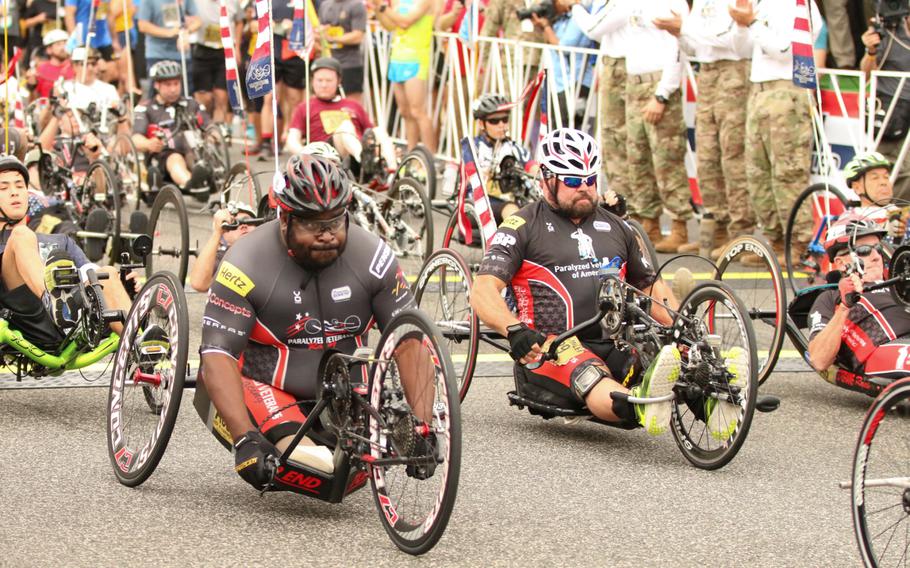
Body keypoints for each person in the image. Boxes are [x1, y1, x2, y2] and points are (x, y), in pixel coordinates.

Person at [470, 128, 745, 440]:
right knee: (590, 374)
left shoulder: (617, 226)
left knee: (671, 353)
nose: (585, 188)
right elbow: (482, 290)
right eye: (573, 181)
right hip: (550, 346)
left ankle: (716, 403)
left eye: (591, 179)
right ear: (546, 178)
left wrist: (685, 330)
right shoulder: (521, 226)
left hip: (611, 341)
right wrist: (513, 329)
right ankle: (640, 407)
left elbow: (651, 286)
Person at [198, 154, 433, 489]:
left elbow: (409, 341)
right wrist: (243, 439)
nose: (326, 234)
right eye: (312, 224)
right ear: (284, 219)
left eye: (335, 221)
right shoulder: (244, 262)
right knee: (315, 469)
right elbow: (217, 354)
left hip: (345, 393)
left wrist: (423, 425)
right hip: (268, 386)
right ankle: (272, 436)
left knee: (351, 477)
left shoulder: (374, 257)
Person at [654, 0, 756, 259]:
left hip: (735, 72)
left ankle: (740, 233)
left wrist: (686, 29)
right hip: (708, 74)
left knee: (733, 157)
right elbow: (695, 47)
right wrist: (681, 33)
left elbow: (733, 40)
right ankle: (716, 231)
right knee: (707, 157)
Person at [0, 156, 132, 346]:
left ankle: (141, 347)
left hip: (71, 319)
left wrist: (122, 284)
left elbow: (89, 273)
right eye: (3, 188)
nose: (14, 193)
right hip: (25, 317)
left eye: (20, 186)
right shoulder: (19, 237)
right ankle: (51, 298)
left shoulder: (60, 240)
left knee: (108, 274)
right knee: (21, 235)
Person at [729, 0, 822, 265]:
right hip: (758, 90)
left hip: (787, 89)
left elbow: (784, 49)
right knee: (758, 173)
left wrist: (752, 23)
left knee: (788, 173)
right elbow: (743, 48)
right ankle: (777, 240)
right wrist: (741, 25)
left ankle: (800, 244)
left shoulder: (799, 4)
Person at [808, 214, 910, 396]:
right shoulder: (830, 297)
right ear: (840, 262)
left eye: (878, 248)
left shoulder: (900, 284)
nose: (876, 256)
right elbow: (819, 359)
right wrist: (844, 307)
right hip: (890, 350)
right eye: (864, 250)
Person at [131, 60, 213, 199]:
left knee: (196, 152)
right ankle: (191, 183)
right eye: (168, 85)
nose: (173, 89)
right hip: (163, 157)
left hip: (193, 151)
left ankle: (204, 175)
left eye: (176, 84)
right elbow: (135, 138)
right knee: (175, 158)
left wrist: (214, 136)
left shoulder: (191, 103)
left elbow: (210, 126)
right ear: (157, 85)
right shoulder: (146, 108)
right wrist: (148, 143)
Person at [573, 0, 630, 200]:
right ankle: (619, 201)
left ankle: (633, 207)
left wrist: (574, 6)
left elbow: (594, 29)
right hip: (610, 64)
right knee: (611, 138)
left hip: (626, 67)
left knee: (628, 141)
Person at [371, 0, 439, 152]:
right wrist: (377, 9)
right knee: (405, 111)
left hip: (415, 59)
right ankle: (411, 152)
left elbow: (405, 22)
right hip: (397, 58)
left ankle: (431, 158)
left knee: (418, 111)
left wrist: (383, 6)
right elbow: (390, 26)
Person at [284, 57, 373, 162]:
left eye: (329, 80)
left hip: (354, 152)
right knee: (345, 126)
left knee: (380, 131)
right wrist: (307, 154)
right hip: (326, 157)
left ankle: (390, 172)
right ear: (312, 81)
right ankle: (364, 160)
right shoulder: (304, 107)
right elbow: (292, 140)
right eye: (320, 80)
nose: (324, 85)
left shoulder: (354, 105)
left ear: (338, 81)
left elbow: (371, 134)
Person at [861, 13, 910, 201]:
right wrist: (870, 50)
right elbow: (865, 75)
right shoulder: (889, 30)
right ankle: (878, 219)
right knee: (880, 173)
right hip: (890, 112)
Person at [470, 93, 533, 223]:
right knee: (511, 209)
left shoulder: (512, 147)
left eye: (504, 119)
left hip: (511, 202)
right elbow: (466, 178)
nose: (501, 125)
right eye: (494, 121)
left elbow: (531, 165)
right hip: (480, 204)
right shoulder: (473, 148)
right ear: (482, 124)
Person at [189, 201, 256, 292]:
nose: (243, 225)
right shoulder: (222, 258)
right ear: (222, 239)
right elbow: (198, 283)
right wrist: (217, 233)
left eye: (248, 221)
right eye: (234, 224)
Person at [191, 0, 241, 124]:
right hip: (203, 50)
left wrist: (237, 47)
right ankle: (204, 126)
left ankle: (218, 131)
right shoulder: (195, 3)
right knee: (205, 98)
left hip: (224, 51)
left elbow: (239, 21)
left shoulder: (232, 3)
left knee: (221, 96)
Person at [137, 0, 201, 94]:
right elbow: (142, 25)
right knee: (157, 95)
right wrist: (168, 33)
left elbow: (198, 21)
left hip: (181, 54)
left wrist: (186, 31)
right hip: (157, 54)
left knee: (184, 94)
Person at [317, 0, 368, 102]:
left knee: (350, 104)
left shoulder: (356, 5)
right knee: (324, 103)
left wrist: (332, 38)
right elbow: (320, 30)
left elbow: (358, 36)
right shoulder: (325, 4)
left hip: (350, 64)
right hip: (327, 63)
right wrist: (320, 33)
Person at [32, 30, 75, 99]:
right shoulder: (41, 70)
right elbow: (35, 98)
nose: (63, 47)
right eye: (58, 44)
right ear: (49, 49)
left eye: (65, 43)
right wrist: (31, 86)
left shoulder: (75, 67)